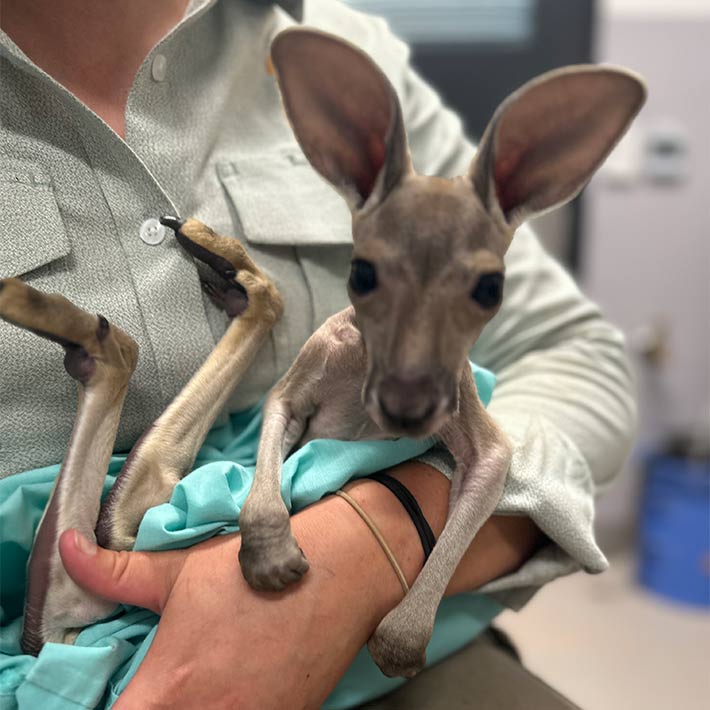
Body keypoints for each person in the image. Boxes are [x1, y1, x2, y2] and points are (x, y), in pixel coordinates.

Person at [0, 0, 635, 708]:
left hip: (375, 643)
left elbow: (574, 357)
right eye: (367, 281)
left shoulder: (335, 44)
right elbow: (285, 405)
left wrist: (368, 553)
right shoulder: (339, 343)